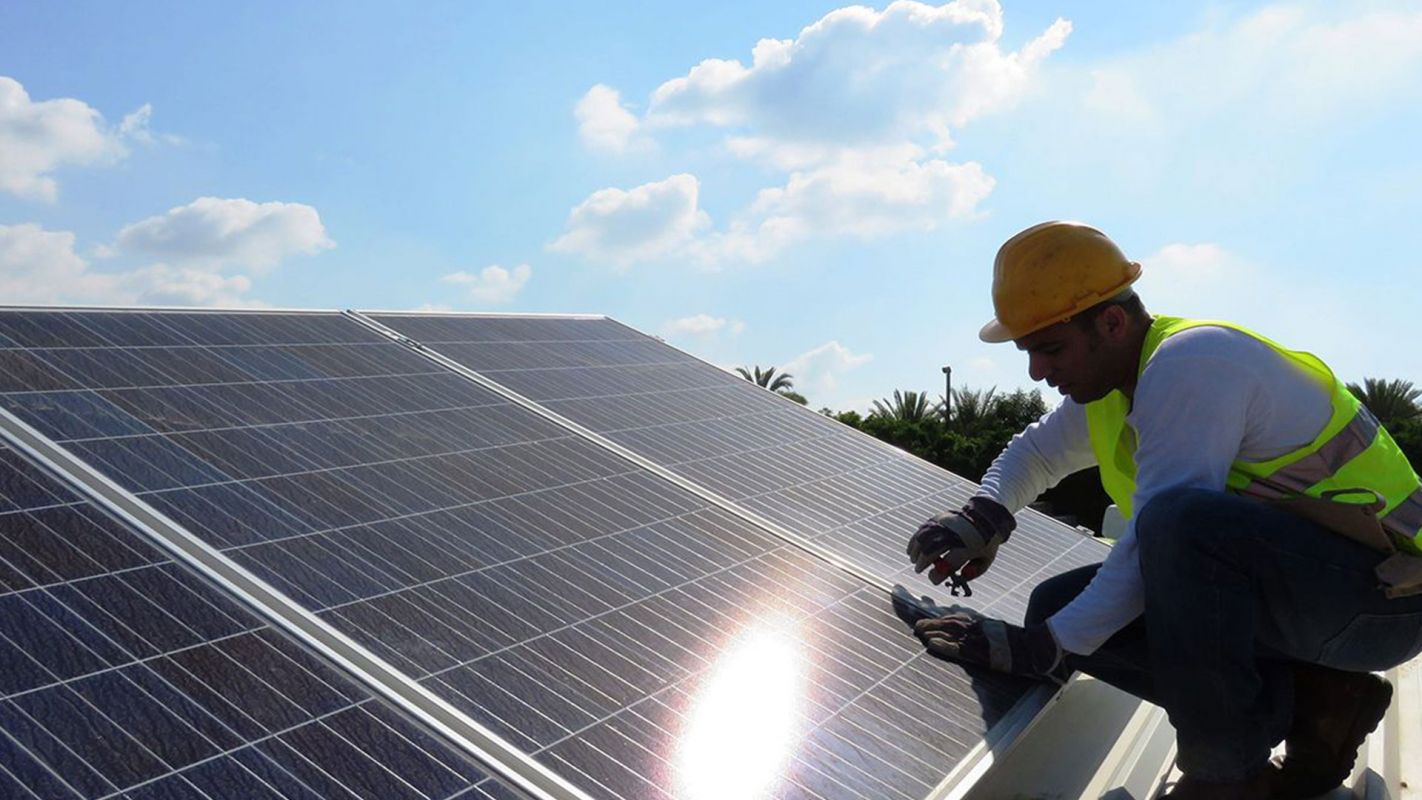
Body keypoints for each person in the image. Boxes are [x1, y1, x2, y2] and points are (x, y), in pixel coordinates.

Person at [903, 221, 1422, 799]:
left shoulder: (1195, 363)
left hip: (1387, 600)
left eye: (1050, 349)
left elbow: (1161, 537)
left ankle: (1226, 777)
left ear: (1113, 323)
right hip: (1314, 597)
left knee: (1177, 528)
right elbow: (1037, 452)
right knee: (1060, 605)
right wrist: (984, 516)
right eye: (1030, 352)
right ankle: (1317, 701)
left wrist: (1043, 649)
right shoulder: (1115, 384)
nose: (1037, 372)